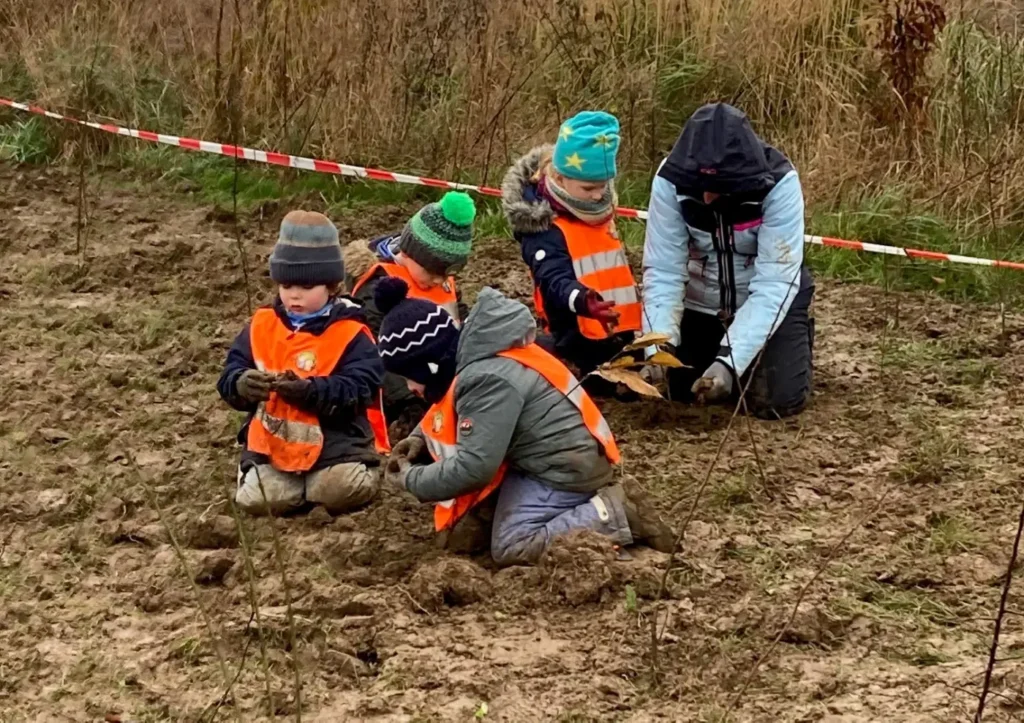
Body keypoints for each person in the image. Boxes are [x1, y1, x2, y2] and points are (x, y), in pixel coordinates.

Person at [372, 276, 673, 566]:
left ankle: (616, 511)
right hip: (557, 458)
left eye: (408, 376)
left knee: (512, 543)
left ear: (428, 365)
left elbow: (474, 468)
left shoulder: (484, 379)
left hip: (563, 473)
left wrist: (411, 480)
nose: (410, 387)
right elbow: (449, 408)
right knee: (466, 534)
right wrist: (420, 439)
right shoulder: (479, 352)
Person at [641, 102, 815, 419]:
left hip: (767, 297)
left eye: (719, 189)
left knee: (775, 402)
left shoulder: (780, 183)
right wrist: (657, 350)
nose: (707, 198)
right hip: (701, 300)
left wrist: (728, 361)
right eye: (700, 187)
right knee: (680, 389)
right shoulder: (669, 177)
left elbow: (775, 282)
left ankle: (794, 337)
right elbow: (664, 272)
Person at [217, 210, 390, 516]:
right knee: (257, 501)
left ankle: (363, 471)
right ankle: (288, 486)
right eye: (286, 286)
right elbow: (230, 373)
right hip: (273, 446)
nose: (294, 295)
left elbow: (361, 386)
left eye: (306, 288)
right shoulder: (261, 325)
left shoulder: (352, 332)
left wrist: (310, 391)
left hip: (336, 444)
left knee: (338, 492)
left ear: (332, 286)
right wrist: (242, 384)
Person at [501, 110, 642, 388]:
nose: (598, 195)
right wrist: (581, 299)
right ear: (560, 178)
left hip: (621, 333)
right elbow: (552, 278)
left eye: (603, 186)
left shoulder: (599, 212)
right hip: (576, 341)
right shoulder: (543, 227)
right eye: (588, 187)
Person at [343, 191, 475, 436]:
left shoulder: (441, 281)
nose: (440, 279)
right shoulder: (378, 288)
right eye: (434, 270)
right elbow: (372, 354)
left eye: (448, 273)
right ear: (410, 253)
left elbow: (459, 317)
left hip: (443, 388)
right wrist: (408, 402)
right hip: (402, 402)